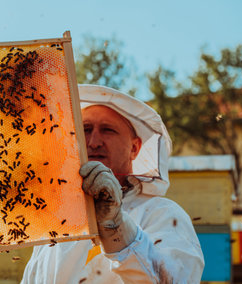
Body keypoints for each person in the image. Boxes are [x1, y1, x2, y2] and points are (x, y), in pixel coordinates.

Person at [21, 84, 204, 284]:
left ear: (135, 148)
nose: (94, 142)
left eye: (108, 130)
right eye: (86, 129)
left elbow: (174, 280)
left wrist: (116, 227)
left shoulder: (162, 214)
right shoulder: (58, 222)